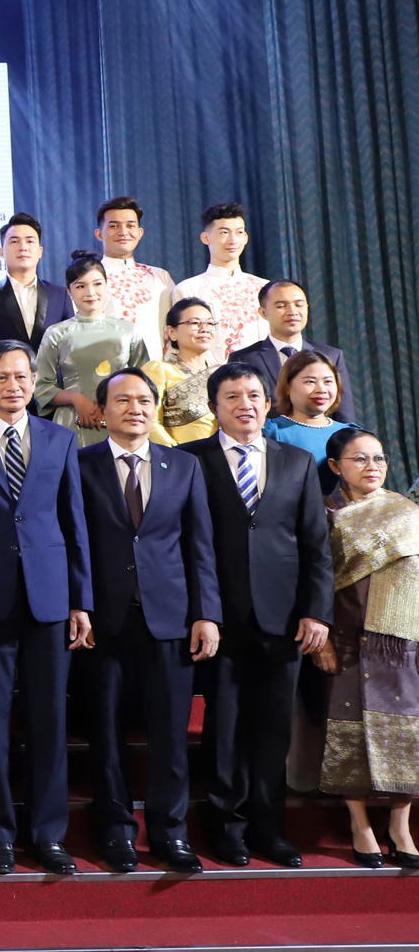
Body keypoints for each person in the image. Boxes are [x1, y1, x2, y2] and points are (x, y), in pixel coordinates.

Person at [0, 341, 93, 875]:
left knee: (49, 721)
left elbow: (74, 525)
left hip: (50, 600)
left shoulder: (60, 438)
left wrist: (82, 600)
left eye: (22, 376)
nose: (13, 385)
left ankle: (48, 836)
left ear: (33, 381)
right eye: (0, 378)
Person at [181, 362, 332, 868]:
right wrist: (201, 610)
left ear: (268, 404)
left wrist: (317, 613)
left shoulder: (296, 462)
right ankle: (224, 826)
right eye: (232, 397)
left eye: (253, 395)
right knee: (223, 728)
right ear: (214, 407)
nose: (244, 404)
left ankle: (270, 828)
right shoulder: (189, 460)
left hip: (284, 618)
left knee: (272, 730)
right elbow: (186, 544)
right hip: (218, 618)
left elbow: (315, 544)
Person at [76, 368, 221, 874]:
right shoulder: (82, 464)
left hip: (172, 618)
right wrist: (80, 605)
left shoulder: (183, 465)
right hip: (104, 620)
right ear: (103, 410)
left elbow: (200, 545)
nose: (135, 408)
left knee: (169, 735)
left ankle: (169, 833)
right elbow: (76, 543)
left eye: (143, 399)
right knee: (108, 734)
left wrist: (207, 613)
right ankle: (115, 833)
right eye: (122, 400)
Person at [315, 428, 419, 868]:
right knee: (349, 727)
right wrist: (319, 638)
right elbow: (316, 578)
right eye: (359, 459)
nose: (372, 467)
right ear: (337, 467)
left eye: (378, 458)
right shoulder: (324, 513)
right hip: (347, 635)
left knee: (407, 731)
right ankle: (359, 824)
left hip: (403, 641)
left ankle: (399, 825)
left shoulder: (407, 511)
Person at [34, 252, 149, 445]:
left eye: (97, 284)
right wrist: (76, 399)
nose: (90, 292)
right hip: (72, 423)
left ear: (106, 285)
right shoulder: (56, 333)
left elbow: (145, 382)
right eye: (80, 286)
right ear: (69, 291)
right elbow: (40, 387)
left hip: (122, 419)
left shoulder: (128, 331)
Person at [230, 278, 354, 423]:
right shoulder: (244, 359)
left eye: (299, 305)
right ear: (263, 312)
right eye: (281, 306)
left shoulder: (331, 355)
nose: (292, 311)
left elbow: (344, 412)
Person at [159, 202, 267, 357]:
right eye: (224, 232)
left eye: (239, 232)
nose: (233, 240)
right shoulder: (188, 289)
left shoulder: (263, 287)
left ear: (246, 238)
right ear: (205, 237)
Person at [91, 197, 177, 354]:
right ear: (99, 234)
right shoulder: (89, 278)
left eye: (130, 225)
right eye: (114, 226)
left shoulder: (160, 277)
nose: (123, 232)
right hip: (106, 372)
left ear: (140, 232)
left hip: (157, 372)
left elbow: (177, 326)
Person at [0, 213, 74, 350]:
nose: (23, 247)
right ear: (1, 252)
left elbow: (69, 344)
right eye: (14, 241)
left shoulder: (60, 295)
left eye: (30, 241)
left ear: (40, 251)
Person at [265, 350, 354, 494]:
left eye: (328, 382)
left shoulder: (351, 433)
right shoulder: (271, 431)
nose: (321, 390)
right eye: (310, 382)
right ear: (288, 387)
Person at [141, 298, 222, 446]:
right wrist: (178, 455)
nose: (204, 329)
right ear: (172, 332)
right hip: (179, 459)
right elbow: (148, 420)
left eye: (210, 323)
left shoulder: (222, 373)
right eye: (195, 323)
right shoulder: (159, 370)